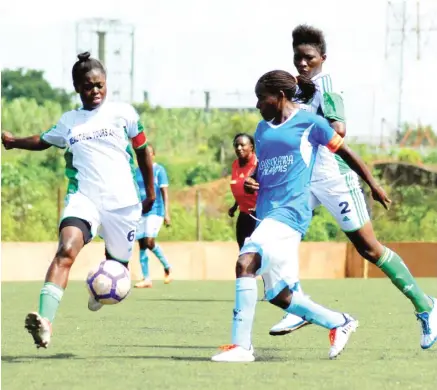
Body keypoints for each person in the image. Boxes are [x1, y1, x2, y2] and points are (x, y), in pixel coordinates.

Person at [268, 25, 437, 351]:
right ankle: (298, 305)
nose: (303, 63)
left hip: (336, 178)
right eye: (298, 57)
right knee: (279, 232)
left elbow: (338, 130)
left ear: (322, 58)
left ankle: (426, 305)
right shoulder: (296, 89)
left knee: (369, 249)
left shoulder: (326, 85)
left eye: (309, 58)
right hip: (305, 179)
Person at [211, 70, 390, 362]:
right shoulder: (262, 129)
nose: (258, 105)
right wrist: (252, 179)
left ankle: (241, 347)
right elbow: (262, 167)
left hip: (290, 212)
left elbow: (346, 152)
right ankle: (339, 322)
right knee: (279, 296)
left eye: (262, 98)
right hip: (266, 214)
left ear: (280, 96)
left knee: (246, 261)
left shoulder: (311, 123)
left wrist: (373, 183)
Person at [1, 52, 155, 349]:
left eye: (99, 85)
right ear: (77, 88)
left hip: (123, 204)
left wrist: (150, 192)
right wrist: (14, 142)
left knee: (118, 267)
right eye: (87, 86)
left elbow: (144, 153)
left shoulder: (124, 114)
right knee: (66, 249)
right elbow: (42, 140)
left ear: (106, 84)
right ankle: (45, 322)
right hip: (84, 199)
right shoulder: (69, 121)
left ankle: (99, 291)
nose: (95, 91)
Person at [134, 143, 172, 288]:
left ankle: (167, 266)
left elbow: (164, 193)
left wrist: (167, 212)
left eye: (149, 154)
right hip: (140, 212)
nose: (146, 157)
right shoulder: (136, 172)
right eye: (143, 154)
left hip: (155, 211)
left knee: (150, 241)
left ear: (153, 155)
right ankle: (146, 278)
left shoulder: (159, 170)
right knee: (142, 244)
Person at [228, 133, 258, 249]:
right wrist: (235, 206)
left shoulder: (258, 164)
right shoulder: (235, 164)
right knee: (243, 250)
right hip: (243, 214)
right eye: (236, 145)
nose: (239, 148)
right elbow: (239, 187)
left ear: (251, 147)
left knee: (256, 252)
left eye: (242, 145)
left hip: (258, 215)